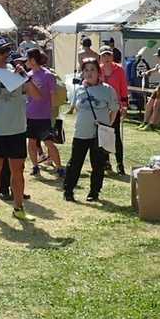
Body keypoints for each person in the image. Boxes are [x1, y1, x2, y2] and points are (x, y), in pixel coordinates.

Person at [0, 35, 41, 222]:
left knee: (17, 170)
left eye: (8, 50)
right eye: (3, 51)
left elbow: (37, 96)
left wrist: (26, 77)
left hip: (17, 130)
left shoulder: (17, 73)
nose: (7, 55)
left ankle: (18, 208)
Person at [64, 56, 116, 202]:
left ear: (98, 72)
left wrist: (106, 126)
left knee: (98, 165)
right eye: (86, 70)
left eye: (92, 69)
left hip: (99, 134)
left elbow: (114, 110)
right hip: (81, 132)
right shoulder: (79, 89)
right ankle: (68, 190)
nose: (89, 73)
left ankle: (94, 192)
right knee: (75, 163)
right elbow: (75, 108)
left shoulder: (107, 90)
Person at [23, 48, 63, 178]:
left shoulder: (48, 75)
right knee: (31, 142)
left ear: (33, 60)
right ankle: (35, 166)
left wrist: (52, 114)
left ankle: (59, 167)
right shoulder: (27, 75)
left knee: (49, 142)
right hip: (30, 115)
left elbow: (53, 95)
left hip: (44, 116)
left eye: (27, 59)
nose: (25, 62)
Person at [97, 44, 129, 175]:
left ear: (112, 56)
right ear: (100, 57)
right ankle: (106, 162)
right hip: (101, 107)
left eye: (108, 55)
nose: (106, 58)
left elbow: (123, 87)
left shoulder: (119, 70)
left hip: (115, 106)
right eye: (104, 55)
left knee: (116, 136)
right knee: (103, 135)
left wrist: (124, 105)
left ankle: (120, 164)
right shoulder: (97, 70)